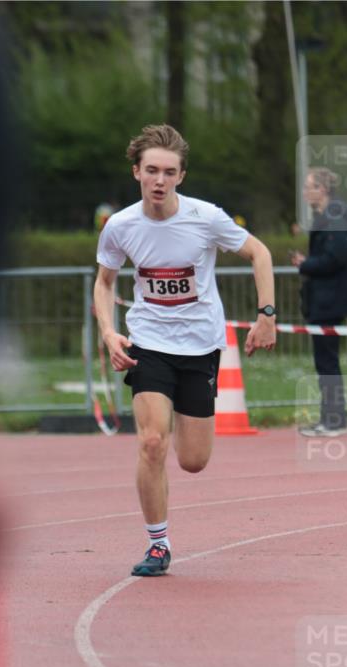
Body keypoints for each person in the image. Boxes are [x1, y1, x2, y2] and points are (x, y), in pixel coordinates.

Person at [94, 123, 276, 577]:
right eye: (151, 170)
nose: (159, 180)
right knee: (152, 442)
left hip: (199, 346)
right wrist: (108, 332)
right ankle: (158, 544)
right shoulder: (120, 226)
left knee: (193, 461)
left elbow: (261, 254)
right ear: (137, 172)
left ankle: (181, 436)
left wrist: (266, 314)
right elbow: (104, 282)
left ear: (181, 176)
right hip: (149, 342)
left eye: (169, 172)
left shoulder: (205, 218)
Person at [289, 167, 347, 437]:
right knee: (326, 361)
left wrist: (305, 264)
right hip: (324, 299)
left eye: (309, 186)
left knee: (327, 362)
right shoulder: (329, 216)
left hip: (331, 300)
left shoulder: (334, 218)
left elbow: (336, 257)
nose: (305, 191)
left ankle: (333, 420)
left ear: (323, 190)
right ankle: (334, 417)